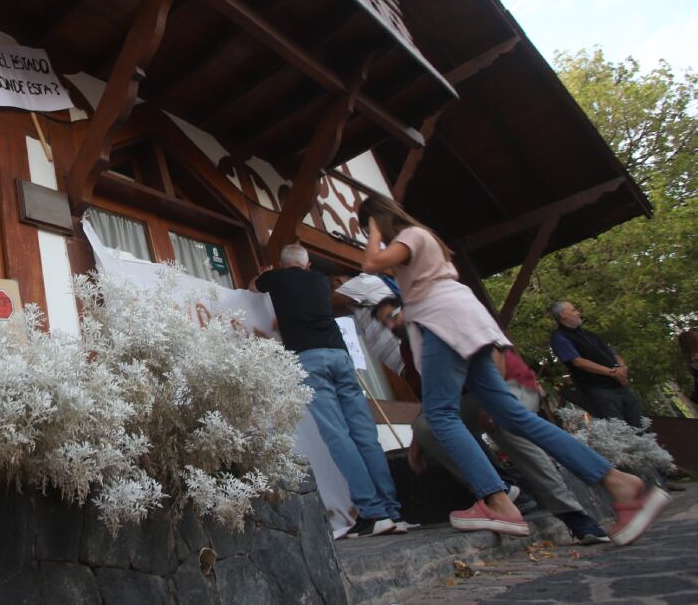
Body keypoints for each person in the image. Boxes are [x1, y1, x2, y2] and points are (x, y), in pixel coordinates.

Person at [358, 193, 667, 545]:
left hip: (442, 322)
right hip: (465, 323)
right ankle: (619, 483)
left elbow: (371, 263)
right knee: (515, 417)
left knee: (440, 415)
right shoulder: (423, 242)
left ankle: (497, 500)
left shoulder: (410, 235)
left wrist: (371, 227)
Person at [372, 302, 612, 545]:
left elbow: (495, 354)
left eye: (392, 316)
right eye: (384, 324)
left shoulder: (443, 315)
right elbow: (432, 395)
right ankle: (501, 491)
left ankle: (573, 514)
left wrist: (492, 404)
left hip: (508, 384)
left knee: (506, 424)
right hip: (464, 398)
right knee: (427, 426)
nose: (390, 325)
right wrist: (417, 438)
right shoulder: (408, 348)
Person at [254, 244, 403, 537]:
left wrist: (266, 275)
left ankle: (372, 511)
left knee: (337, 435)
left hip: (309, 358)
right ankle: (392, 511)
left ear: (285, 265)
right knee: (365, 435)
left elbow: (253, 286)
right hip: (340, 356)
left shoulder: (278, 279)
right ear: (307, 265)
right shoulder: (322, 281)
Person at [549, 302, 644, 428]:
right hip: (600, 390)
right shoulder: (560, 337)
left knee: (641, 425)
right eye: (573, 310)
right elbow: (578, 362)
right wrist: (612, 372)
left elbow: (613, 354)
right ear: (562, 315)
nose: (578, 313)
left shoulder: (590, 334)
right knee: (618, 429)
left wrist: (622, 369)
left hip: (620, 386)